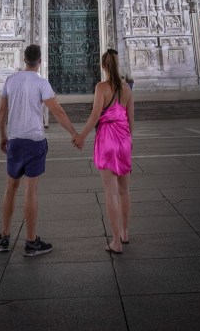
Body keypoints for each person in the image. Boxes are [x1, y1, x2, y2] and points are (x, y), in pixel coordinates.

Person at [0, 43, 78, 256]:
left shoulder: (11, 80)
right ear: (40, 61)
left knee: (10, 188)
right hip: (34, 140)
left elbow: (1, 111)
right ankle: (31, 242)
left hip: (14, 140)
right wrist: (73, 133)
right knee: (30, 191)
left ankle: (4, 237)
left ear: (24, 59)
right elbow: (57, 112)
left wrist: (3, 136)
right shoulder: (42, 83)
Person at [73, 48, 134, 253]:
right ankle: (125, 233)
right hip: (123, 138)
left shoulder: (101, 87)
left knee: (110, 191)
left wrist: (81, 136)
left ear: (103, 66)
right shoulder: (127, 89)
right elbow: (131, 121)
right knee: (124, 189)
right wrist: (127, 141)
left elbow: (94, 117)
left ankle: (116, 241)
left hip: (106, 138)